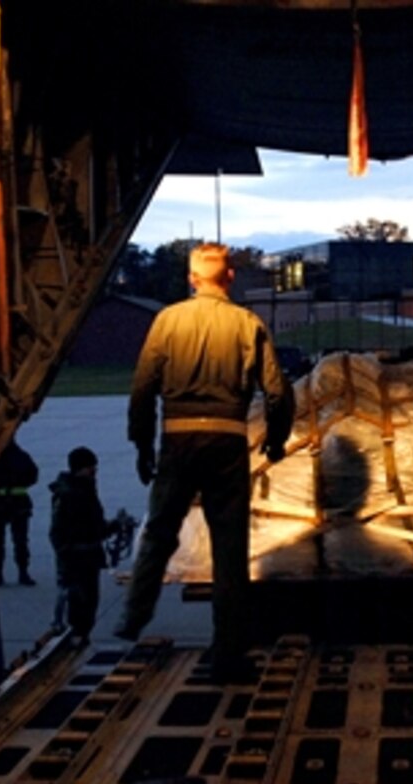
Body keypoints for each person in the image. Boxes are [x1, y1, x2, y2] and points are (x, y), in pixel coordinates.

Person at [114, 242, 295, 681]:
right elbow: (277, 391)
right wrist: (275, 440)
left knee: (159, 532)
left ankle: (133, 618)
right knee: (229, 549)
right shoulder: (247, 323)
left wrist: (141, 445)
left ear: (191, 279)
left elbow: (142, 389)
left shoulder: (167, 321)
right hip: (226, 439)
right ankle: (229, 653)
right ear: (230, 277)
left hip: (177, 438)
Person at [49, 446, 112, 646]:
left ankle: (81, 634)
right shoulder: (69, 495)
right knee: (79, 600)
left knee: (90, 601)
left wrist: (114, 527)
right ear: (80, 469)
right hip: (76, 559)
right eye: (91, 468)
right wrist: (67, 553)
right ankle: (75, 635)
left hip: (88, 556)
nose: (94, 472)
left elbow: (95, 527)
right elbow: (57, 532)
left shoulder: (86, 490)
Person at [0, 437, 39, 586]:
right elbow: (33, 476)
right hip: (19, 503)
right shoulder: (22, 456)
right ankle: (23, 572)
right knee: (20, 540)